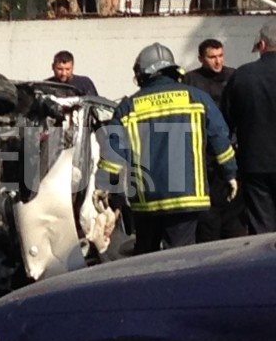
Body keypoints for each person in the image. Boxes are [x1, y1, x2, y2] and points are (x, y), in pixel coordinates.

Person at [94, 43, 238, 254]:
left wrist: (104, 185)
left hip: (147, 200)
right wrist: (230, 174)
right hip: (187, 197)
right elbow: (220, 140)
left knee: (146, 258)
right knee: (180, 257)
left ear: (142, 74)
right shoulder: (197, 99)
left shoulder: (128, 107)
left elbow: (113, 154)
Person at [183, 39, 246, 242]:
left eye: (220, 56)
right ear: (201, 59)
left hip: (230, 149)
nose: (218, 61)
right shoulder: (190, 81)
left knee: (233, 209)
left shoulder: (233, 76)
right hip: (203, 155)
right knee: (208, 217)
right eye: (212, 57)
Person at [222, 20, 276, 235]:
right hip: (256, 163)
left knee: (261, 228)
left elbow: (225, 122)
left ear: (261, 45)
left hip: (255, 165)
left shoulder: (242, 76)